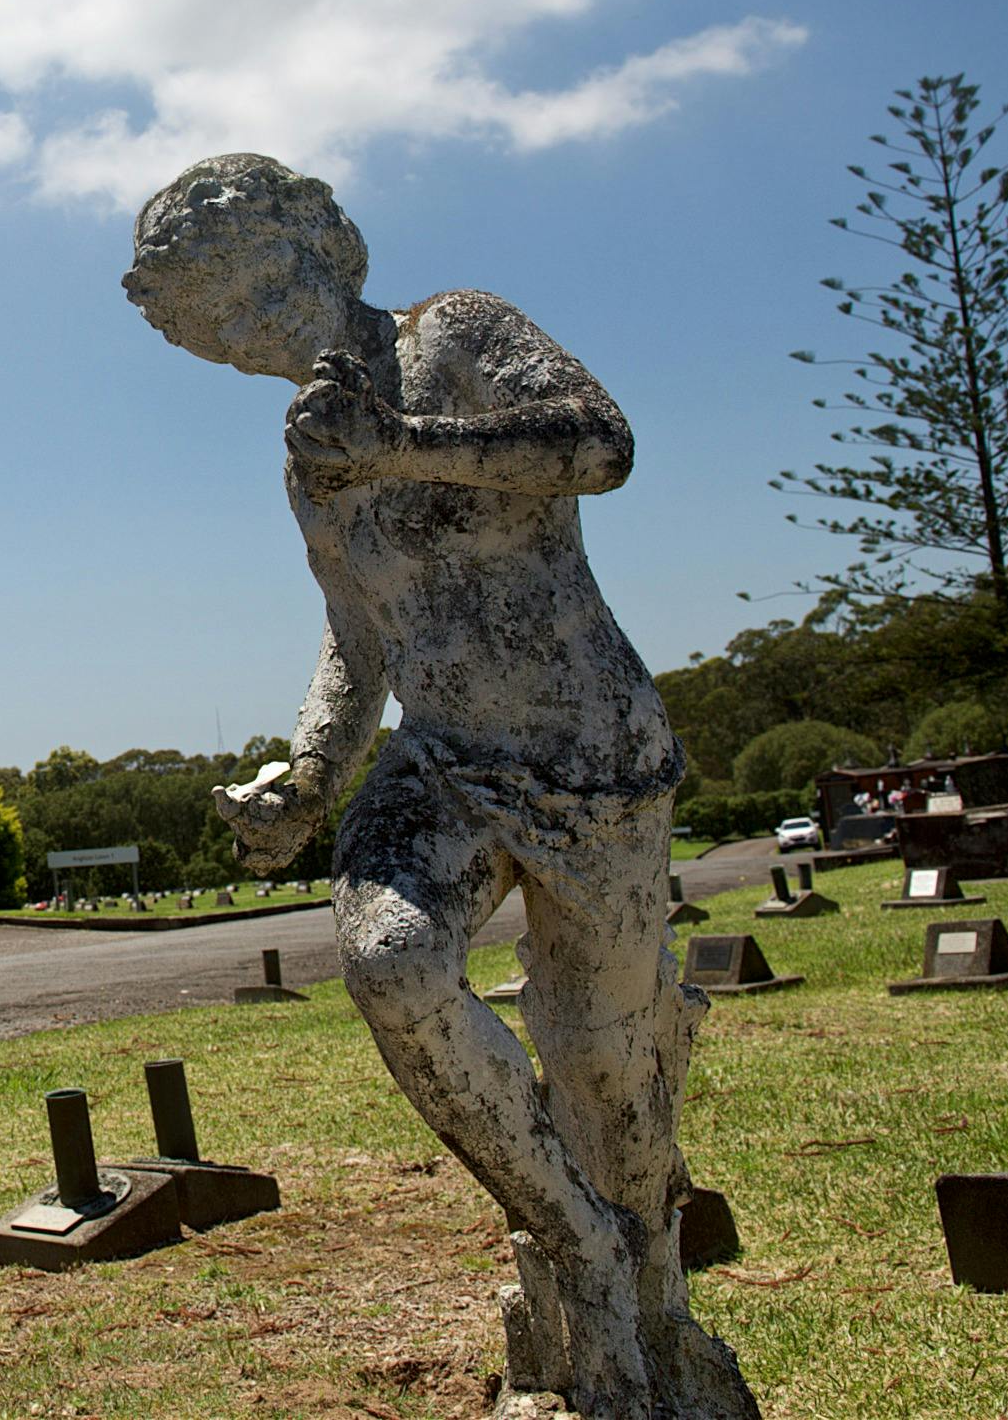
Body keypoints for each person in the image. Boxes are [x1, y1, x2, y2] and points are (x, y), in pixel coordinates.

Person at [125, 153, 754, 1419]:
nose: (249, 338)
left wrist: (404, 446)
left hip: (591, 757)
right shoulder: (305, 459)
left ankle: (646, 1319)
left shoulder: (449, 333)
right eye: (217, 332)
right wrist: (305, 777)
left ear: (324, 243)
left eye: (254, 294)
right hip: (440, 761)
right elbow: (358, 639)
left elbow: (598, 445)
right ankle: (567, 1241)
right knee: (390, 958)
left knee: (602, 1067)